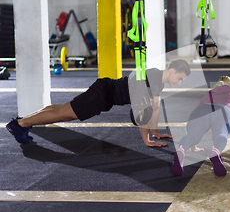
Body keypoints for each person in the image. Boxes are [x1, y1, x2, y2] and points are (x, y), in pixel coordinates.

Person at [6, 59, 191, 147]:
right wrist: (147, 140)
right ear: (172, 70)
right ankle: (19, 125)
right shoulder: (153, 77)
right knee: (63, 113)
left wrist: (156, 132)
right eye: (180, 78)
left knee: (61, 109)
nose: (180, 82)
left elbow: (154, 108)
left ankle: (21, 122)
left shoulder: (158, 79)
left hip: (105, 91)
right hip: (103, 95)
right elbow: (145, 111)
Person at [171, 76, 230, 177]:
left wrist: (193, 145)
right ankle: (215, 151)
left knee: (193, 135)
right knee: (221, 134)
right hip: (223, 111)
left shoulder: (209, 94)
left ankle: (181, 149)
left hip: (202, 109)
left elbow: (192, 122)